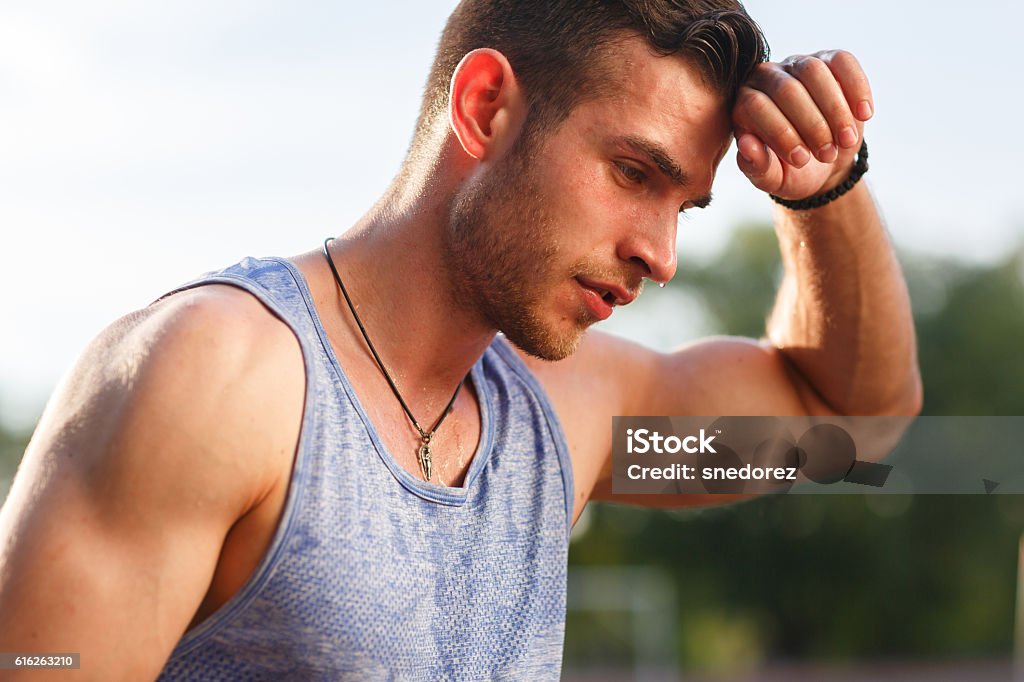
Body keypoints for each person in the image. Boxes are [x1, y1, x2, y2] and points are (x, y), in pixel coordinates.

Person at [0, 0, 921, 679]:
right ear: (484, 108)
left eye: (682, 204)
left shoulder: (569, 415)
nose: (662, 253)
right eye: (634, 172)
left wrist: (821, 190)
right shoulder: (223, 376)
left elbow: (850, 428)